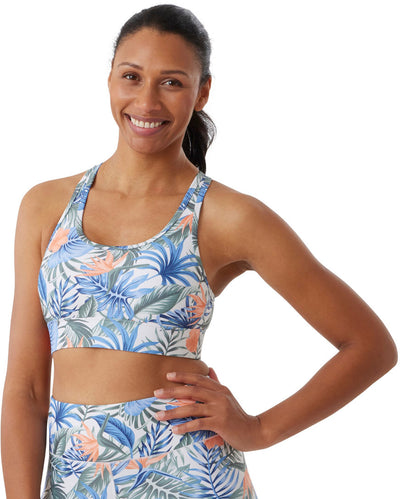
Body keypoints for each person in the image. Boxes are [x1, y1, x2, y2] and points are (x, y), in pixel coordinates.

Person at [1, 4, 397, 498]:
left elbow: (370, 346)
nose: (147, 101)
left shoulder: (227, 215)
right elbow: (26, 388)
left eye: (171, 82)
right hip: (75, 482)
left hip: (191, 478)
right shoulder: (46, 206)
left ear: (202, 91)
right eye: (132, 76)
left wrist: (259, 429)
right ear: (110, 80)